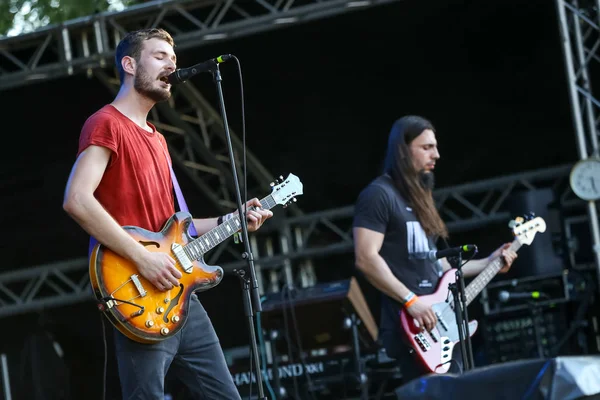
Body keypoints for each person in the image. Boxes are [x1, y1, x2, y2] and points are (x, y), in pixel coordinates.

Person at [62, 28, 272, 399]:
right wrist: (143, 258)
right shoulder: (106, 123)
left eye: (173, 58)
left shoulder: (157, 138)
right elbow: (77, 199)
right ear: (129, 64)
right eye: (159, 56)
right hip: (137, 292)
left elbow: (176, 227)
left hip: (179, 294)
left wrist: (232, 219)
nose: (172, 64)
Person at [352, 115, 518, 382]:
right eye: (427, 147)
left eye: (435, 146)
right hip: (412, 327)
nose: (437, 155)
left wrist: (491, 262)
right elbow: (366, 258)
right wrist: (411, 300)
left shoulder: (417, 199)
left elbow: (435, 264)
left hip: (442, 326)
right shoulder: (378, 195)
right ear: (403, 150)